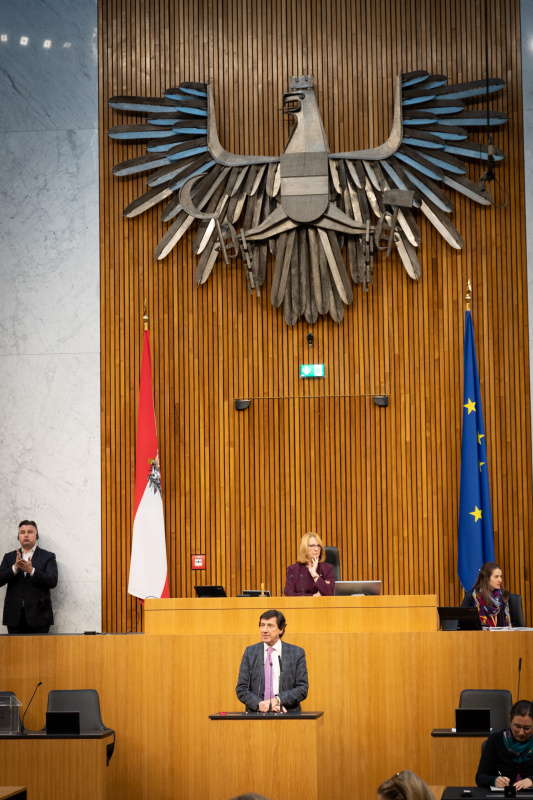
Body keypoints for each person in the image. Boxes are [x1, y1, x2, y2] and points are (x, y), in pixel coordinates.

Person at [236, 609, 308, 714]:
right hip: (256, 715)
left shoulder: (297, 653)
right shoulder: (250, 652)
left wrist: (277, 701)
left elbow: (302, 688)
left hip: (288, 714)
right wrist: (261, 705)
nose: (264, 630)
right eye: (262, 625)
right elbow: (241, 689)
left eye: (270, 626)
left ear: (281, 629)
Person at [0, 520, 58, 634]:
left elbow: (52, 581)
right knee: (15, 652)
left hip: (40, 616)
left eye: (30, 532)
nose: (26, 535)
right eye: (22, 532)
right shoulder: (9, 557)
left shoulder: (48, 556)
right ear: (18, 536)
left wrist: (32, 571)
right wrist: (14, 568)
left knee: (39, 651)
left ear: (36, 536)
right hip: (14, 616)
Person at [476, 700, 533, 789]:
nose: (521, 732)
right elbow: (480, 777)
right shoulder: (495, 739)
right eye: (517, 726)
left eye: (527, 728)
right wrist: (494, 780)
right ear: (510, 720)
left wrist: (531, 780)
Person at [461, 561, 515, 628]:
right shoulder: (472, 596)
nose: (500, 580)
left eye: (500, 576)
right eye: (496, 577)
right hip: (478, 636)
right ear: (485, 578)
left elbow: (514, 622)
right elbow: (463, 623)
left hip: (504, 636)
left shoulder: (505, 594)